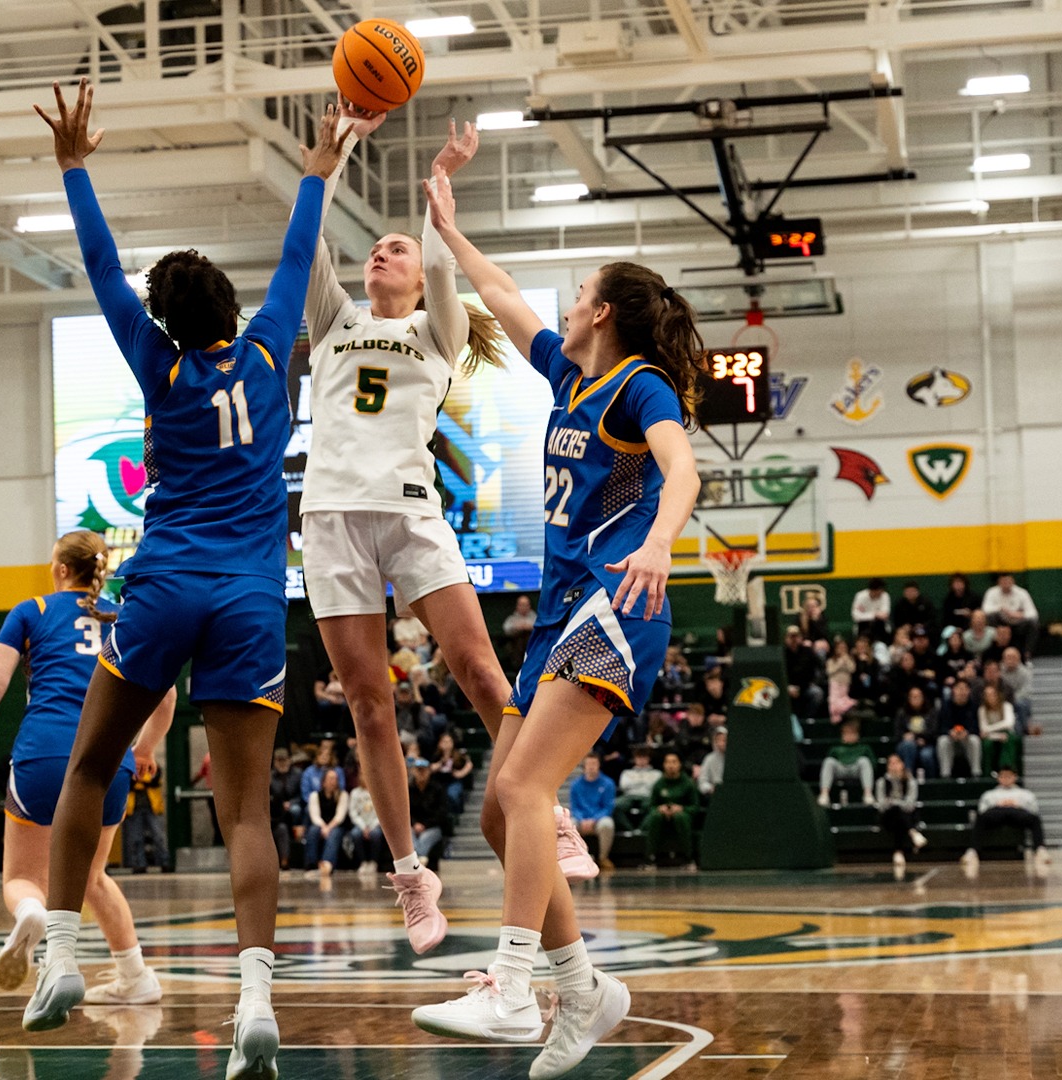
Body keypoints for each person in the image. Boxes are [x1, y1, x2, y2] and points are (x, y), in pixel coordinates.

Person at [17, 84, 342, 1078]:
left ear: (161, 321)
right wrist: (318, 171)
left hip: (162, 583)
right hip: (249, 596)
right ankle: (253, 1000)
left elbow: (102, 265)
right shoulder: (271, 349)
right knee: (248, 814)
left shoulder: (156, 366)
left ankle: (66, 955)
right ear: (234, 312)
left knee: (85, 770)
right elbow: (296, 258)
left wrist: (74, 162)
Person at [412, 161, 703, 1077]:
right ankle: (584, 990)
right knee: (505, 815)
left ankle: (511, 987)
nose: (568, 305)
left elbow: (685, 469)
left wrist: (659, 540)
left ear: (605, 313)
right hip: (560, 613)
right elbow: (499, 296)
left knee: (528, 793)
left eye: (579, 295)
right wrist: (449, 231)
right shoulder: (567, 378)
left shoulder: (640, 386)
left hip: (617, 603)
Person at [295, 106, 514, 955]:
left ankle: (552, 812)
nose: (381, 252)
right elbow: (307, 231)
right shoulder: (335, 319)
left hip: (413, 512)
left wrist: (441, 187)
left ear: (420, 275)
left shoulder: (437, 329)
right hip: (330, 519)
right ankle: (410, 874)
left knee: (478, 668)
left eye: (398, 248)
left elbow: (440, 258)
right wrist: (335, 148)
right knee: (368, 704)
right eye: (375, 247)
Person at [0, 530, 175, 1003]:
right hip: (110, 755)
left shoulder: (33, 611)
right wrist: (145, 750)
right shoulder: (123, 618)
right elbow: (166, 695)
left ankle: (30, 911)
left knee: (22, 877)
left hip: (44, 751)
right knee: (92, 876)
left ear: (62, 568)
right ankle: (136, 978)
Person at [961, 766, 1049, 869]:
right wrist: (998, 804)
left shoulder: (1025, 794)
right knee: (981, 818)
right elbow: (982, 810)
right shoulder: (990, 794)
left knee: (1034, 818)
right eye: (1003, 776)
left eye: (1009, 776)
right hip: (997, 813)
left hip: (1017, 814)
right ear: (999, 778)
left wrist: (1017, 804)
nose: (1006, 779)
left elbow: (1034, 809)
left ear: (1014, 777)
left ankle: (1040, 849)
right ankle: (973, 851)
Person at [640, 750, 699, 865]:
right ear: (664, 765)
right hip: (663, 817)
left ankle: (688, 857)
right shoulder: (659, 784)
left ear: (679, 764)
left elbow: (695, 807)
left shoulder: (688, 784)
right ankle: (650, 857)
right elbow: (651, 806)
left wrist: (682, 808)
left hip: (682, 816)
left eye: (674, 762)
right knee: (655, 816)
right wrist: (660, 808)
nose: (670, 765)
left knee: (680, 817)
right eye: (667, 762)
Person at [565, 753, 617, 869]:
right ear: (584, 766)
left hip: (598, 819)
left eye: (594, 764)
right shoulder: (575, 785)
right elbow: (574, 807)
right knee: (570, 824)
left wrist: (594, 820)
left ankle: (603, 858)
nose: (591, 767)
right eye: (588, 764)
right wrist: (581, 819)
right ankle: (576, 858)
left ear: (599, 765)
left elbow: (608, 807)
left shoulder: (608, 783)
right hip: (581, 819)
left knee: (607, 824)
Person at [876, 754, 927, 870]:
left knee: (899, 815)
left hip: (905, 816)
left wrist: (894, 802)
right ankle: (913, 833)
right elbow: (881, 805)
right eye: (891, 763)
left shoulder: (910, 781)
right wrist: (897, 803)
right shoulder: (881, 782)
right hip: (887, 817)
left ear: (902, 765)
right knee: (895, 812)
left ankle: (898, 852)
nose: (894, 766)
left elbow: (910, 804)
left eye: (896, 763)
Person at [122, 754, 168, 874]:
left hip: (153, 807)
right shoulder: (128, 768)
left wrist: (139, 780)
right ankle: (138, 864)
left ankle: (164, 862)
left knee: (159, 836)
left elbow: (154, 779)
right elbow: (129, 783)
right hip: (133, 808)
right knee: (135, 838)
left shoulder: (152, 765)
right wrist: (140, 781)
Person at [302, 766, 351, 880]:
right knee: (313, 830)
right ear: (323, 781)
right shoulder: (315, 796)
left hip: (337, 826)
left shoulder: (343, 795)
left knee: (334, 833)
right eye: (330, 778)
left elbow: (340, 816)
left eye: (335, 779)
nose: (333, 781)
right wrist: (324, 827)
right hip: (321, 825)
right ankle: (312, 864)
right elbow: (315, 816)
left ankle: (327, 865)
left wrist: (329, 828)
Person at [818, 719, 875, 805]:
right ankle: (824, 795)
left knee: (864, 761)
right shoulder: (835, 749)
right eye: (846, 733)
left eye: (852, 733)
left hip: (856, 770)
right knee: (828, 761)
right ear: (842, 735)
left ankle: (868, 794)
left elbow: (873, 764)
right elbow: (828, 765)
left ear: (857, 735)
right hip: (840, 770)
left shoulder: (864, 748)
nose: (849, 736)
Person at [982, 572, 1038, 653]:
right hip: (1000, 622)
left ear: (1013, 582)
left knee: (1033, 623)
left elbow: (1033, 613)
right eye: (1003, 582)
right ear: (999, 582)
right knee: (990, 617)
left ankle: (1027, 654)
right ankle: (995, 652)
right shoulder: (991, 592)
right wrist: (1001, 609)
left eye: (1008, 581)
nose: (1006, 584)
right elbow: (985, 609)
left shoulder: (1022, 593)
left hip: (1017, 624)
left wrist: (1020, 615)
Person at [268, 748, 304, 870]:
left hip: (293, 804)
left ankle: (296, 830)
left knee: (295, 810)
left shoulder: (297, 774)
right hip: (276, 810)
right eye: (279, 761)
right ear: (274, 762)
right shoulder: (270, 777)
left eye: (284, 760)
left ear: (289, 760)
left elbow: (302, 795)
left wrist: (290, 803)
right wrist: (280, 804)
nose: (282, 763)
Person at [977, 684, 1020, 775]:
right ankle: (987, 773)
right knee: (987, 744)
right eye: (987, 695)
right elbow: (983, 728)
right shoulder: (982, 710)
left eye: (992, 694)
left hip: (1005, 734)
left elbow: (1008, 724)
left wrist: (990, 730)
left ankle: (1007, 770)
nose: (990, 697)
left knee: (1009, 739)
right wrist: (996, 735)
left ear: (997, 695)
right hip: (992, 736)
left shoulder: (1006, 706)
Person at [850, 578, 892, 644]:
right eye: (878, 592)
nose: (880, 594)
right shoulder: (860, 596)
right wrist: (874, 615)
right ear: (872, 590)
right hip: (863, 627)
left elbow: (885, 614)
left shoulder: (885, 596)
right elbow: (855, 616)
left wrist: (866, 615)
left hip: (880, 628)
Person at [697, 727, 727, 799]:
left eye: (724, 740)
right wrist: (711, 788)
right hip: (715, 796)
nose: (721, 743)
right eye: (718, 740)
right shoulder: (709, 759)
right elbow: (702, 782)